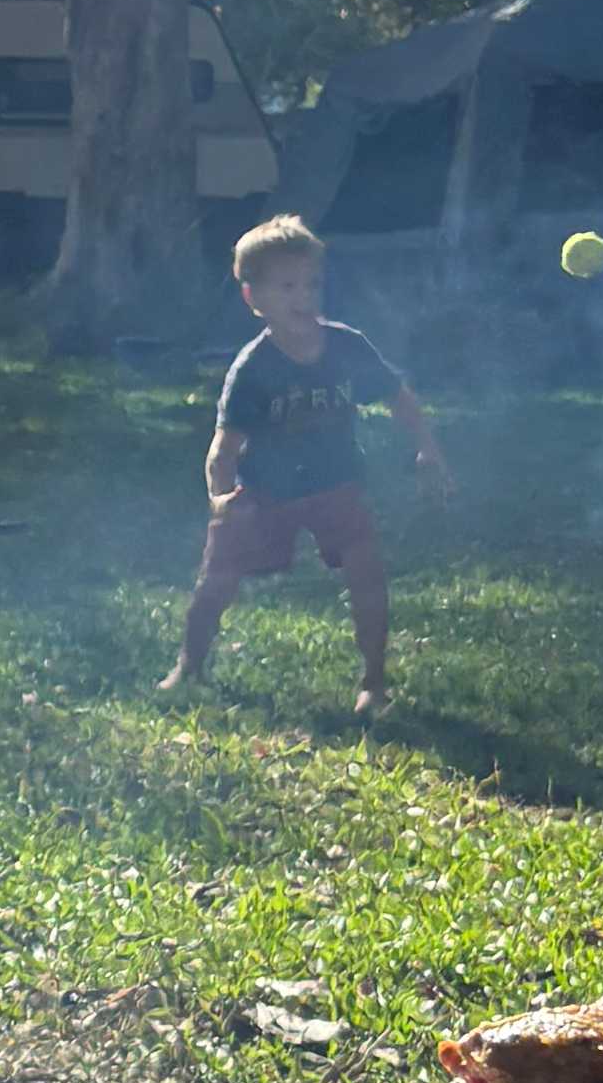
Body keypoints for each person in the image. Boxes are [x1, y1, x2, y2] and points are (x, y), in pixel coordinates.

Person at [158, 211, 447, 710]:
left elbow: (398, 396)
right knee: (218, 579)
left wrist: (428, 448)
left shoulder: (347, 347)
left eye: (312, 284)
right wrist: (221, 500)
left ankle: (374, 683)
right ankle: (189, 664)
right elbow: (222, 449)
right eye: (287, 286)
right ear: (253, 298)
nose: (303, 297)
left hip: (337, 484)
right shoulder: (253, 369)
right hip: (266, 491)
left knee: (367, 570)